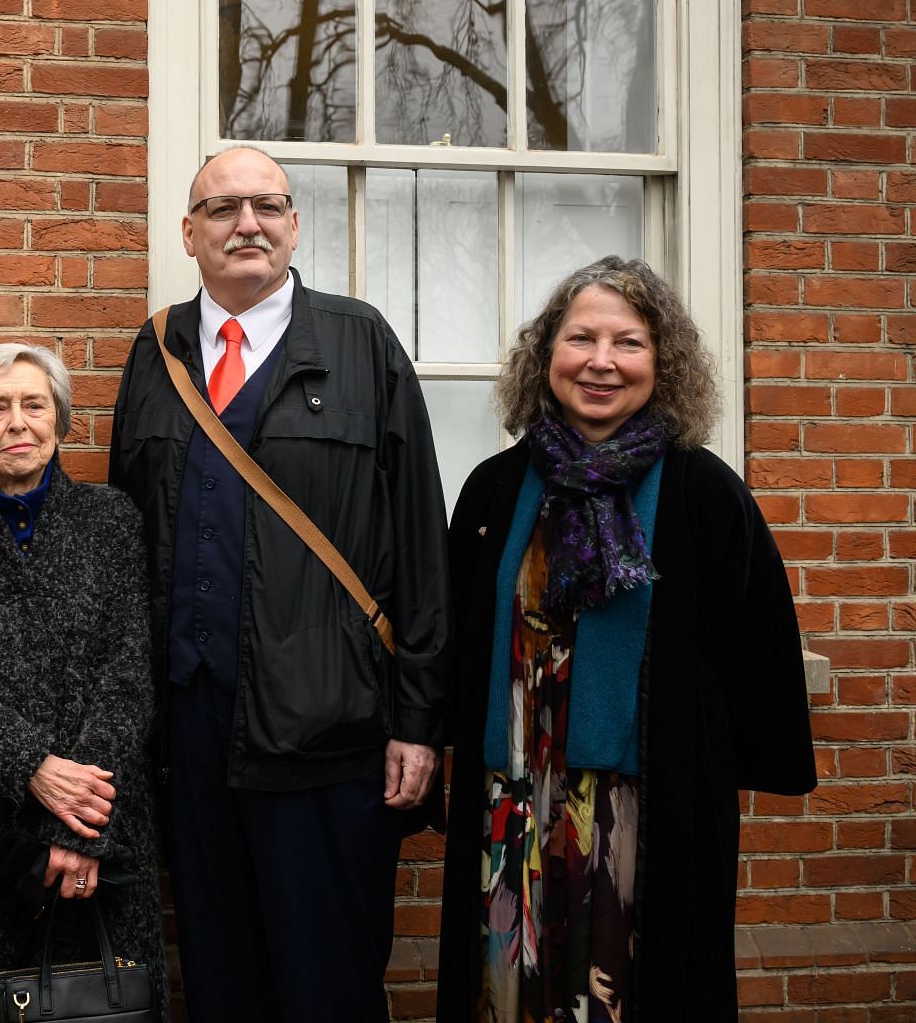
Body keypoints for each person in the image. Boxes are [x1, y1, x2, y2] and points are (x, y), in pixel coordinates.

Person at [107, 146, 451, 1021]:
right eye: (222, 210)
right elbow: (124, 538)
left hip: (328, 733)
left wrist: (417, 720)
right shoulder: (157, 354)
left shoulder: (360, 342)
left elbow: (418, 543)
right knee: (221, 982)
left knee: (325, 983)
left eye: (266, 206)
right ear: (189, 234)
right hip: (190, 737)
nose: (246, 224)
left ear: (294, 225)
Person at [436, 256, 815, 1021]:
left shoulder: (705, 495)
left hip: (647, 808)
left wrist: (734, 766)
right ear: (547, 357)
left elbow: (757, 646)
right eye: (581, 338)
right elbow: (453, 639)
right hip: (512, 801)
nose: (602, 362)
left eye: (629, 342)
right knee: (505, 995)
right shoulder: (494, 490)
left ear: (662, 363)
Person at [0, 343, 164, 1022]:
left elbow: (128, 674)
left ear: (61, 421)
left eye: (33, 404)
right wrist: (33, 767)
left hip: (99, 835)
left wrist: (77, 826)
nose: (17, 422)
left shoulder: (113, 522)